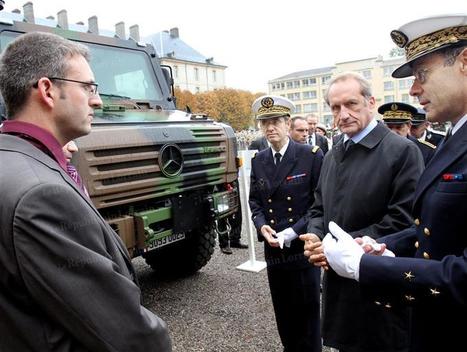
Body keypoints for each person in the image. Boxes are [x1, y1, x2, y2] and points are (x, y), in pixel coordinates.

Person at [0, 32, 171, 351]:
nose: (98, 100)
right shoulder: (41, 195)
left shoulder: (13, 162)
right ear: (48, 90)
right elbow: (127, 334)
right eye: (88, 88)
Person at [316, 14, 467, 352]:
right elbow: (430, 229)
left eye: (422, 74)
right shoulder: (454, 137)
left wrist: (365, 265)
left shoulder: (407, 149)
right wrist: (379, 247)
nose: (414, 89)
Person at [300, 72, 424, 352]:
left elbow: (403, 221)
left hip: (379, 287)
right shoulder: (333, 154)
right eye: (335, 107)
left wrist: (333, 248)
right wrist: (315, 236)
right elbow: (319, 206)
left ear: (370, 102)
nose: (343, 114)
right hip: (338, 287)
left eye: (351, 104)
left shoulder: (402, 151)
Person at [249, 95, 323, 351]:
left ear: (287, 123)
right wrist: (261, 226)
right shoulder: (259, 160)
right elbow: (255, 201)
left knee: (308, 313)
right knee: (284, 311)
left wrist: (291, 232)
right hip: (273, 248)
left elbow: (318, 205)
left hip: (302, 247)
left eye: (275, 121)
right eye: (264, 122)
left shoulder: (310, 155)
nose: (270, 127)